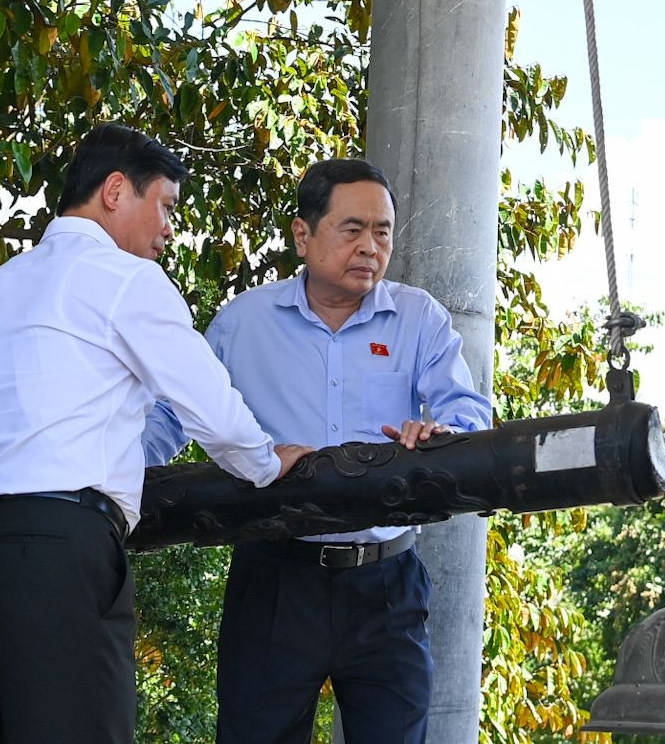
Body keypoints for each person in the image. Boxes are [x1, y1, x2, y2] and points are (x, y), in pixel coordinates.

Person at [0, 123, 309, 744]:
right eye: (165, 206)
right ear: (116, 190)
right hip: (62, 548)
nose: (169, 229)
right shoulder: (126, 280)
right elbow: (210, 404)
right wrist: (264, 465)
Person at [145, 157, 493, 744]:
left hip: (387, 583)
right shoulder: (242, 324)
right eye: (352, 229)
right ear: (302, 234)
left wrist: (439, 437)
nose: (370, 247)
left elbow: (468, 414)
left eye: (382, 231)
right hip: (277, 577)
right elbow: (169, 423)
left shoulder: (419, 318)